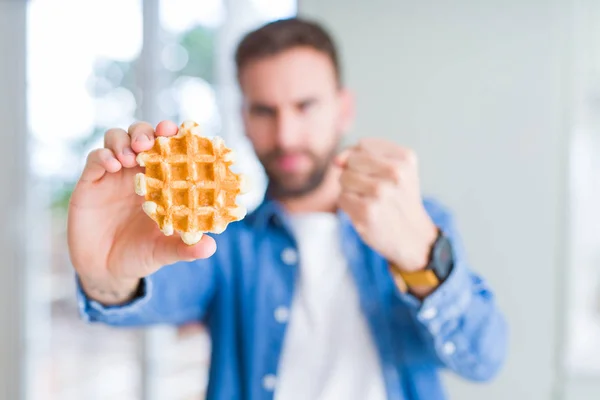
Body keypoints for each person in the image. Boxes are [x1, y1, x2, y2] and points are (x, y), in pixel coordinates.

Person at [68, 17, 508, 400]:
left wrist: (420, 256)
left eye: (305, 106)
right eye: (265, 111)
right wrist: (106, 275)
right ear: (243, 118)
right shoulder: (221, 243)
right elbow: (152, 290)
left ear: (343, 108)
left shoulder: (420, 222)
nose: (286, 134)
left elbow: (483, 359)